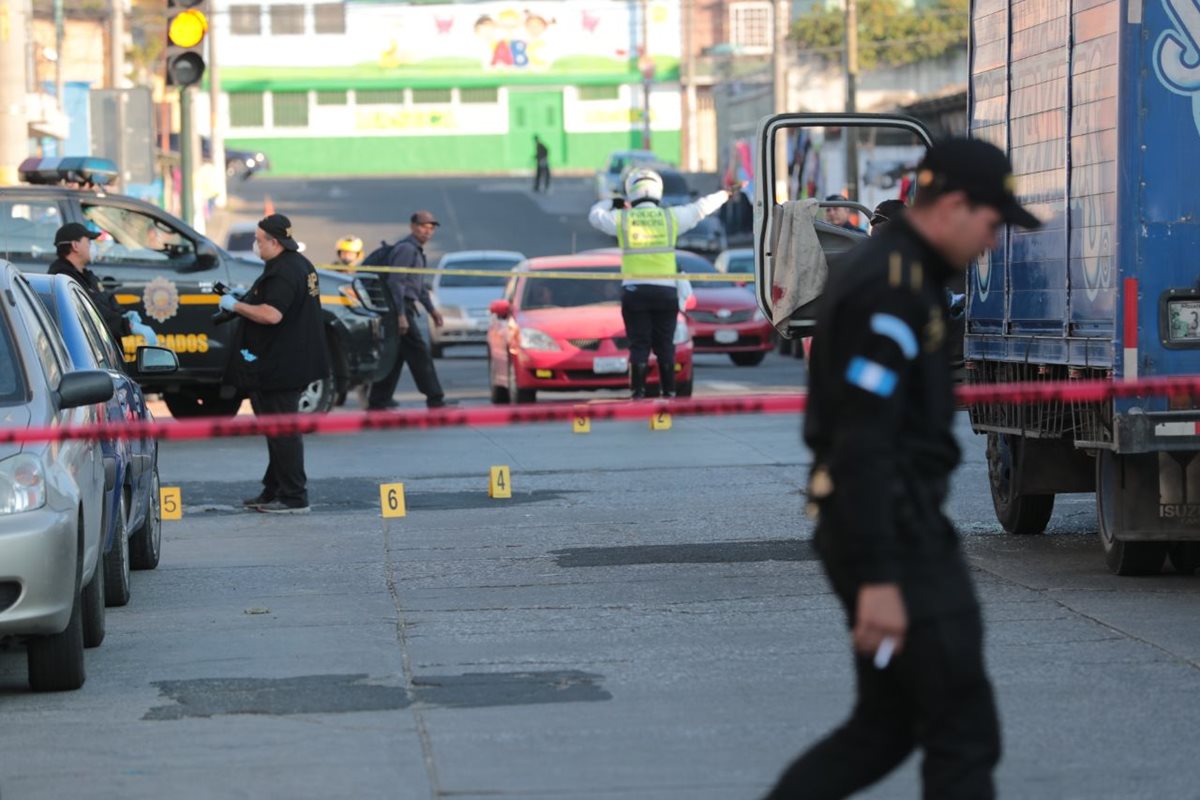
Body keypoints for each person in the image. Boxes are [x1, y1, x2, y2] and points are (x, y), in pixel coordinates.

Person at [764, 138, 1041, 800]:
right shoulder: (890, 289)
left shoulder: (906, 276)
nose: (994, 240)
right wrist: (881, 576)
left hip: (887, 520)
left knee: (885, 728)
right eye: (991, 222)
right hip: (890, 529)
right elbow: (862, 437)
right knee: (963, 731)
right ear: (952, 205)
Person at [588, 169, 738, 398]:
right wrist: (725, 194)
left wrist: (614, 201)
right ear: (658, 190)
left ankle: (637, 394)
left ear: (631, 192)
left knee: (639, 345)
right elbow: (701, 208)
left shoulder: (623, 218)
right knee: (665, 345)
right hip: (665, 291)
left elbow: (595, 215)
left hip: (635, 291)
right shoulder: (671, 217)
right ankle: (669, 393)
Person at [222, 214, 330, 514]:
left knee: (284, 431)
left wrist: (236, 306)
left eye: (258, 241)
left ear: (274, 241)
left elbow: (272, 314)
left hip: (283, 364)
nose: (256, 246)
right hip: (288, 360)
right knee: (276, 429)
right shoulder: (300, 264)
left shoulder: (283, 271)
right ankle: (274, 489)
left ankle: (294, 496)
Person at [366, 210, 451, 410]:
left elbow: (418, 287)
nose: (427, 232)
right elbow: (396, 283)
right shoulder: (406, 249)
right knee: (420, 354)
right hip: (399, 309)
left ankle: (378, 401)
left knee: (395, 356)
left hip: (404, 308)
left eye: (431, 228)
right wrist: (401, 315)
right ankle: (435, 399)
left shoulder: (417, 251)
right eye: (423, 227)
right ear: (412, 227)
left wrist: (432, 311)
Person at [48, 222, 157, 347]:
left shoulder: (86, 275)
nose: (92, 246)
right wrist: (126, 325)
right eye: (88, 241)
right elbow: (92, 312)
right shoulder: (62, 278)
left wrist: (123, 314)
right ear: (75, 245)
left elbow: (106, 298)